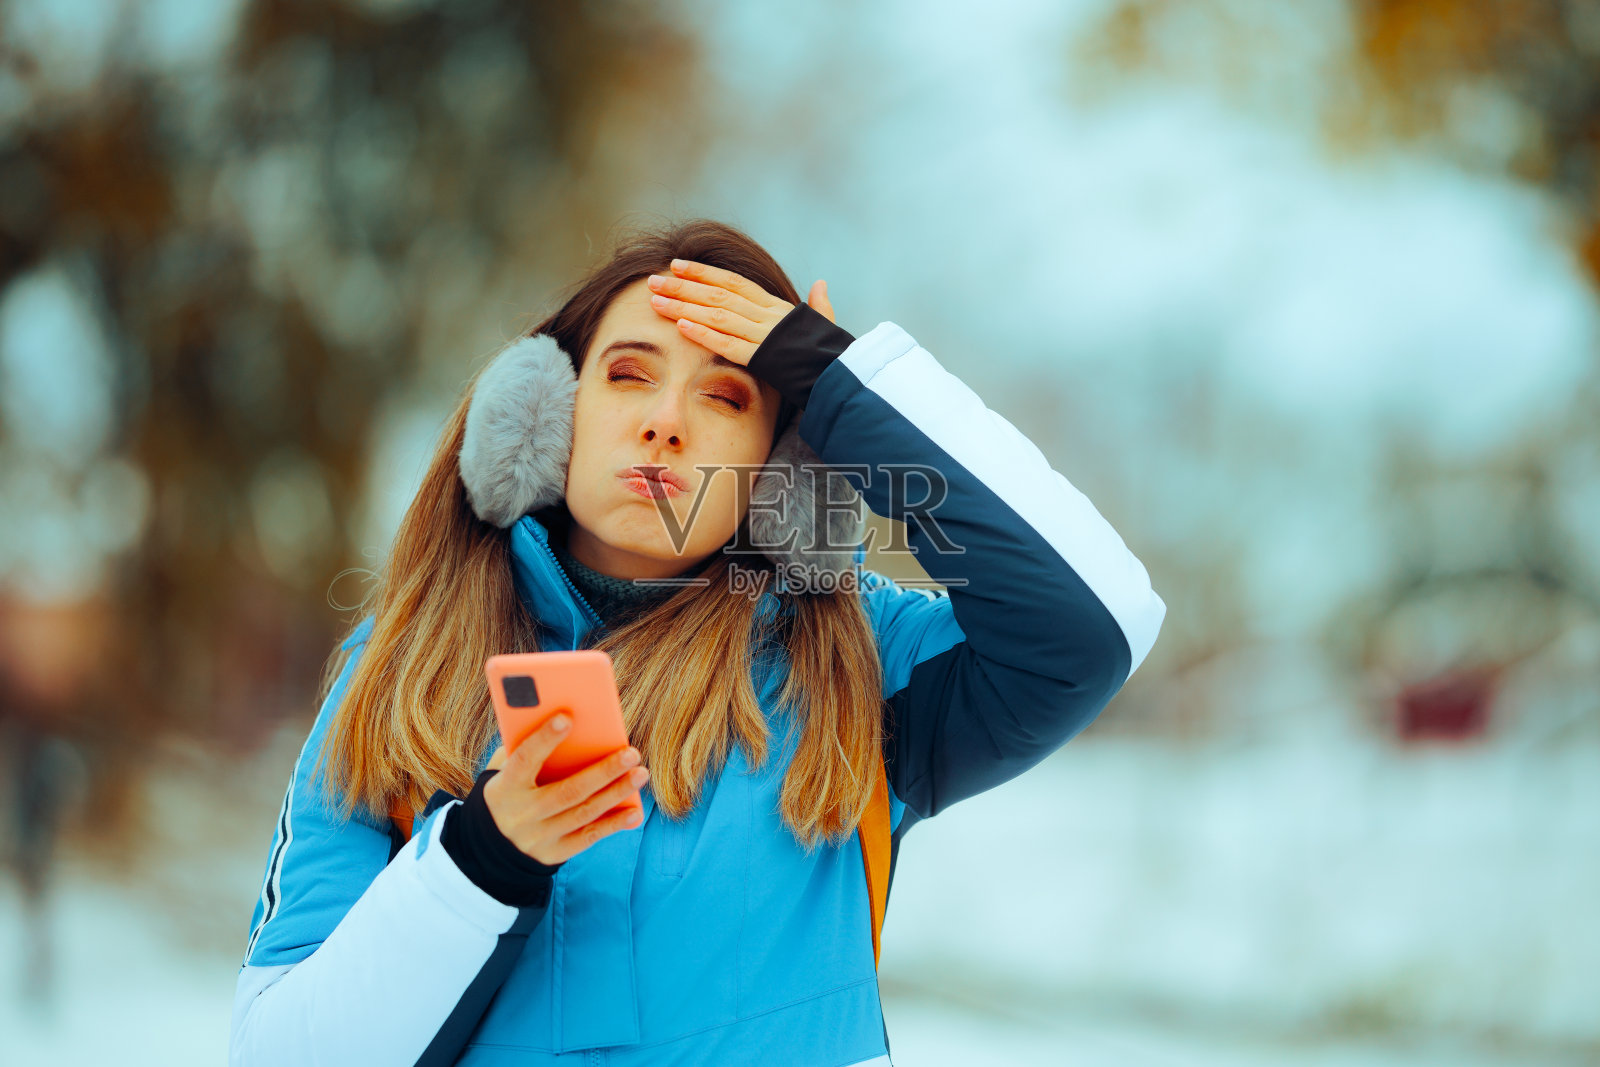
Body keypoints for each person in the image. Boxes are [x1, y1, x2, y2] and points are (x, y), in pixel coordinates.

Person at [228, 218, 1167, 1066]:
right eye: (629, 374)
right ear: (545, 415)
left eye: (724, 394)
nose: (666, 423)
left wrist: (845, 390)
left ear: (782, 467)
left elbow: (1098, 621)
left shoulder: (862, 664)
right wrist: (479, 860)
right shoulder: (397, 673)